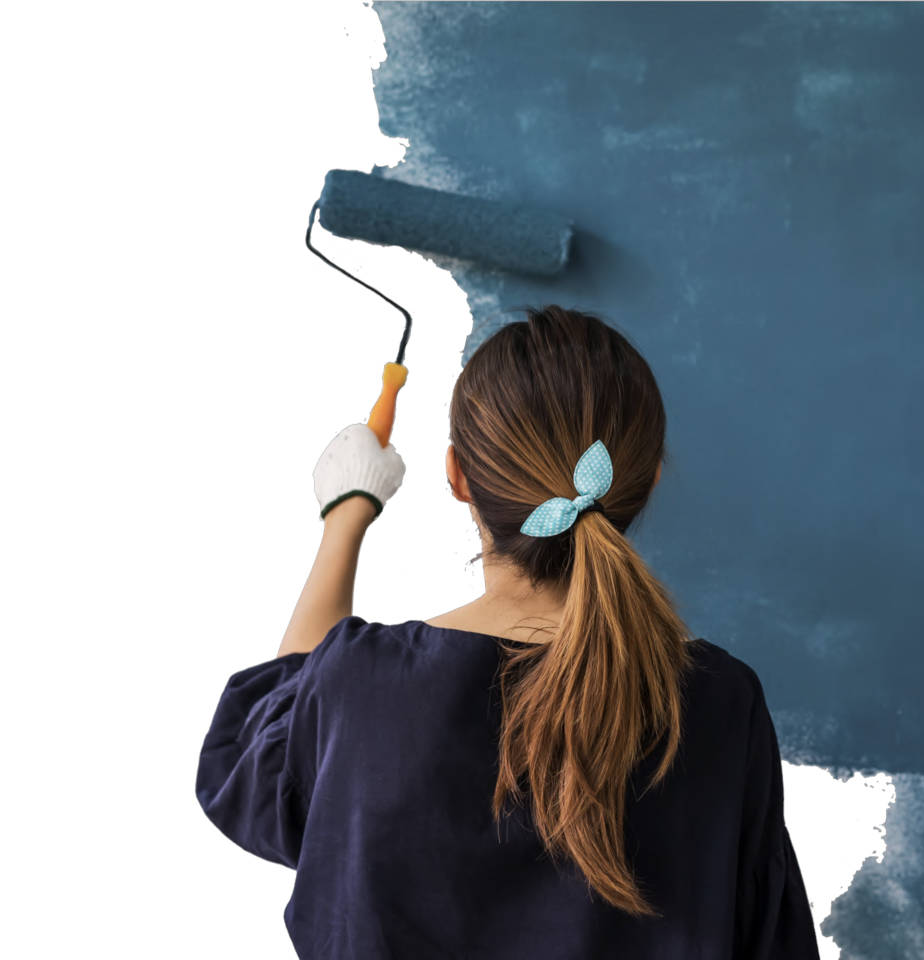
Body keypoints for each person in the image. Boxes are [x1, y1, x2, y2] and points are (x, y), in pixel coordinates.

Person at [194, 304, 821, 959]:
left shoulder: (364, 686)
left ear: (457, 475)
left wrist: (345, 515)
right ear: (650, 479)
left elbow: (261, 763)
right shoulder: (720, 704)